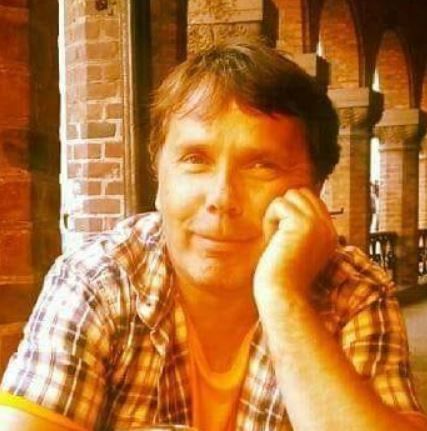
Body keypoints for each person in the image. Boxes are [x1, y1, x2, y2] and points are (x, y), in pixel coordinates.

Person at [0, 39, 426, 431]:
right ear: (159, 178)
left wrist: (283, 298)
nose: (222, 197)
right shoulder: (100, 278)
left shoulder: (353, 290)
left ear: (314, 189)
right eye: (195, 159)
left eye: (261, 165)